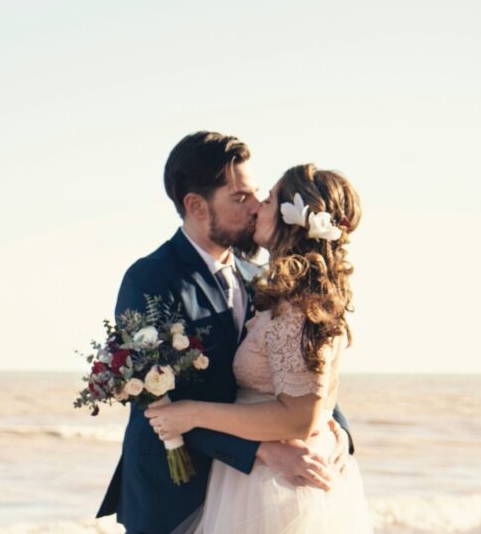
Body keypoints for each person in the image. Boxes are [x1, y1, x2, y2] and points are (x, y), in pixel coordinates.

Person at [97, 133, 354, 534]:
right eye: (239, 199)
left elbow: (299, 372)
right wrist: (262, 451)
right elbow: (159, 409)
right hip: (174, 496)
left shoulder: (264, 280)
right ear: (196, 206)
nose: (255, 208)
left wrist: (337, 434)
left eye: (256, 195)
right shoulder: (150, 280)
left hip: (255, 497)